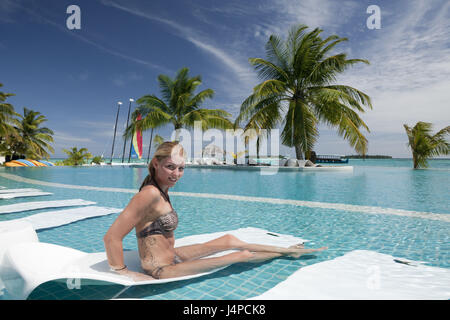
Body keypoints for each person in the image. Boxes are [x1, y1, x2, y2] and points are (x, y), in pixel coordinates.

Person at [104, 141, 327, 281]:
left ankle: (285, 249)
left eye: (181, 168)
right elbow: (112, 237)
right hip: (161, 269)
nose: (176, 174)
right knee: (240, 255)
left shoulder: (162, 190)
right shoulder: (149, 194)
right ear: (155, 163)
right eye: (170, 167)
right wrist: (122, 271)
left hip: (172, 256)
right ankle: (290, 252)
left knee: (229, 239)